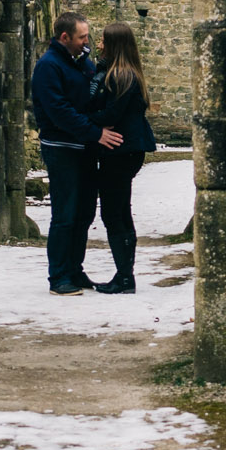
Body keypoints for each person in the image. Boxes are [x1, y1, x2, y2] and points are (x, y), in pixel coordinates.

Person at [30, 10, 122, 295]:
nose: (87, 42)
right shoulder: (49, 66)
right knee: (65, 213)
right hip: (62, 149)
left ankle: (74, 269)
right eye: (82, 37)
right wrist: (96, 133)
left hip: (82, 148)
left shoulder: (80, 62)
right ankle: (58, 277)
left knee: (83, 213)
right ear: (64, 36)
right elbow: (60, 111)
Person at [90, 20, 158, 295]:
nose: (99, 44)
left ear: (114, 44)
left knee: (114, 214)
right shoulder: (127, 74)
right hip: (125, 150)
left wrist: (81, 122)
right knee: (119, 212)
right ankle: (124, 275)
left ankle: (125, 277)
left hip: (120, 150)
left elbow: (110, 115)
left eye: (103, 41)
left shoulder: (121, 76)